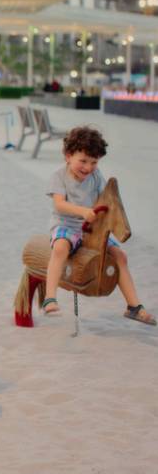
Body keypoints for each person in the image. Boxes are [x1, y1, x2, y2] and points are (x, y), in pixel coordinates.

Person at [42, 126, 155, 325]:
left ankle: (133, 306)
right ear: (68, 156)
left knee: (120, 255)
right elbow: (59, 204)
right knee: (60, 248)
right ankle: (50, 297)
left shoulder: (95, 176)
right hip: (67, 224)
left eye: (94, 162)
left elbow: (106, 198)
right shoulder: (59, 176)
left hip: (92, 227)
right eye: (83, 161)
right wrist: (83, 212)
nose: (88, 167)